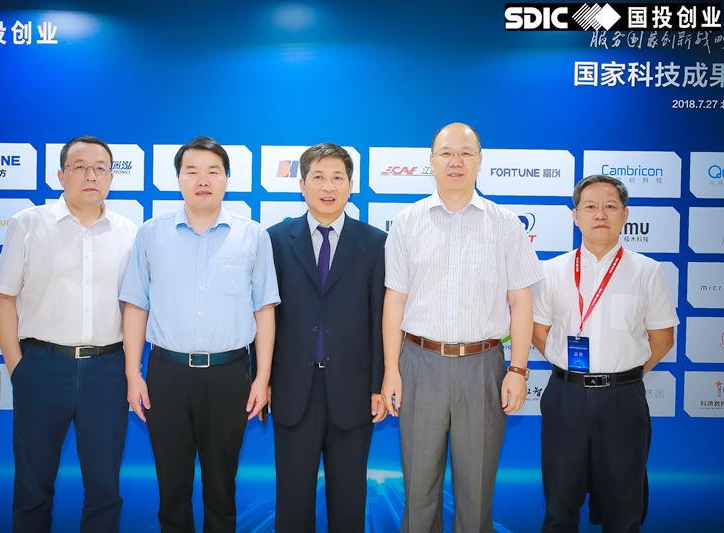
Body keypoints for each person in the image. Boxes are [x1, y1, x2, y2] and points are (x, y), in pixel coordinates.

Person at [381, 123, 544, 533]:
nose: (456, 161)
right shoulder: (407, 221)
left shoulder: (506, 224)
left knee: (476, 493)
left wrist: (518, 369)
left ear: (480, 161)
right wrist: (391, 369)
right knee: (419, 491)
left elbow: (521, 301)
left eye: (466, 153)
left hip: (483, 367)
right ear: (432, 161)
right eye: (447, 153)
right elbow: (394, 300)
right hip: (419, 364)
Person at [120, 136, 279, 533]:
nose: (202, 180)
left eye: (213, 171)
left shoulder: (252, 236)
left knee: (222, 488)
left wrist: (262, 378)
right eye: (191, 171)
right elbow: (136, 306)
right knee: (172, 488)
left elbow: (264, 310)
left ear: (227, 179)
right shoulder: (151, 234)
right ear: (178, 178)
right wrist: (133, 374)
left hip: (229, 376)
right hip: (167, 374)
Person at [0, 135, 138, 533]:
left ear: (111, 177)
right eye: (79, 167)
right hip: (41, 367)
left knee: (105, 488)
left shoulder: (129, 232)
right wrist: (19, 368)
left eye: (100, 168)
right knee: (33, 485)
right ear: (61, 175)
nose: (91, 175)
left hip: (107, 370)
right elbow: (3, 298)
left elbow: (135, 308)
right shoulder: (28, 223)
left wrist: (130, 370)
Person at [531, 175, 678, 533]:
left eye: (611, 206)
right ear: (575, 216)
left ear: (625, 215)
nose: (600, 214)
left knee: (623, 510)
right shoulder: (551, 271)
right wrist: (569, 368)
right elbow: (537, 332)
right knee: (559, 506)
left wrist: (622, 373)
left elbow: (663, 339)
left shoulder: (648, 271)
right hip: (566, 397)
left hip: (622, 401)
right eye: (590, 206)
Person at [267, 143, 387, 532]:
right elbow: (265, 318)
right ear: (302, 184)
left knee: (349, 502)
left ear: (351, 185)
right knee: (292, 502)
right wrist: (263, 379)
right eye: (318, 177)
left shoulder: (375, 243)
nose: (328, 186)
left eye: (338, 177)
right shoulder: (275, 240)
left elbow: (380, 318)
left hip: (353, 390)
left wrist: (378, 384)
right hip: (291, 388)